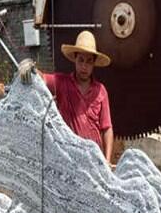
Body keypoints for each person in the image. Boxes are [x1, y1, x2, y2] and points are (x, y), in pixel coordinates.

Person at [18, 30, 114, 164]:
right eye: (81, 60)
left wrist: (107, 160)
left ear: (94, 64)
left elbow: (107, 128)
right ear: (75, 59)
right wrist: (30, 68)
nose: (84, 66)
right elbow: (42, 78)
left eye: (89, 61)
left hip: (94, 161)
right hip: (68, 158)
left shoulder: (100, 91)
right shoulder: (61, 82)